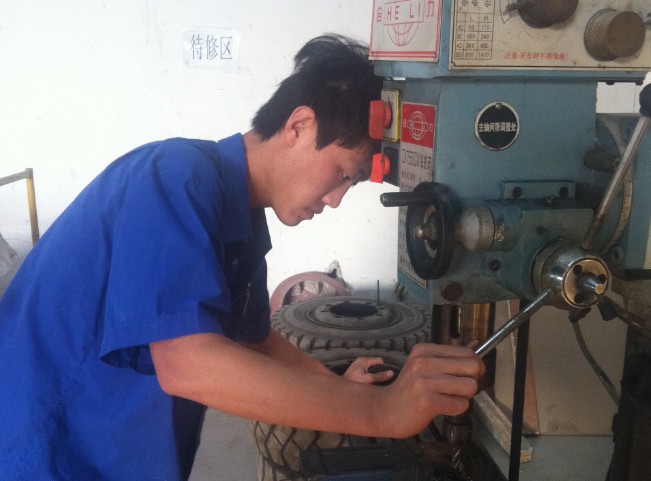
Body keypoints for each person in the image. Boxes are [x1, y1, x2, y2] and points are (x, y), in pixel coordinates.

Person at [0, 35, 484, 480]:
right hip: (45, 448)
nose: (337, 200)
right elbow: (186, 362)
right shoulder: (175, 176)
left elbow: (256, 342)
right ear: (299, 125)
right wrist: (381, 412)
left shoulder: (241, 226)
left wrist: (344, 389)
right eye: (343, 173)